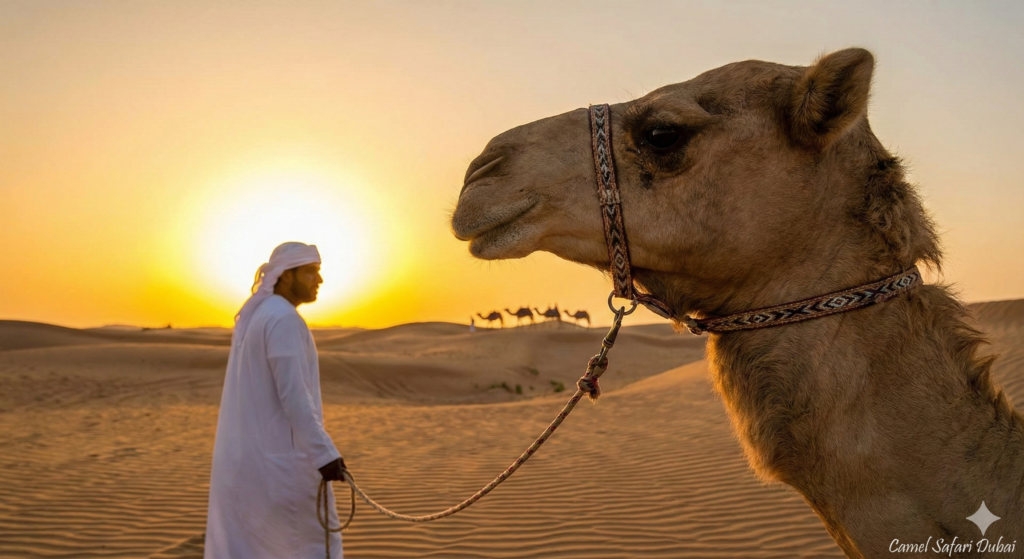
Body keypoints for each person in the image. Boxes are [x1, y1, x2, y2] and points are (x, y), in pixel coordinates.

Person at [205, 242, 347, 558]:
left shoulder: (263, 315)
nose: (319, 280)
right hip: (282, 464)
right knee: (308, 545)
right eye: (311, 272)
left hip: (255, 462)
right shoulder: (282, 319)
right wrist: (324, 454)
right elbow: (294, 396)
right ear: (284, 276)